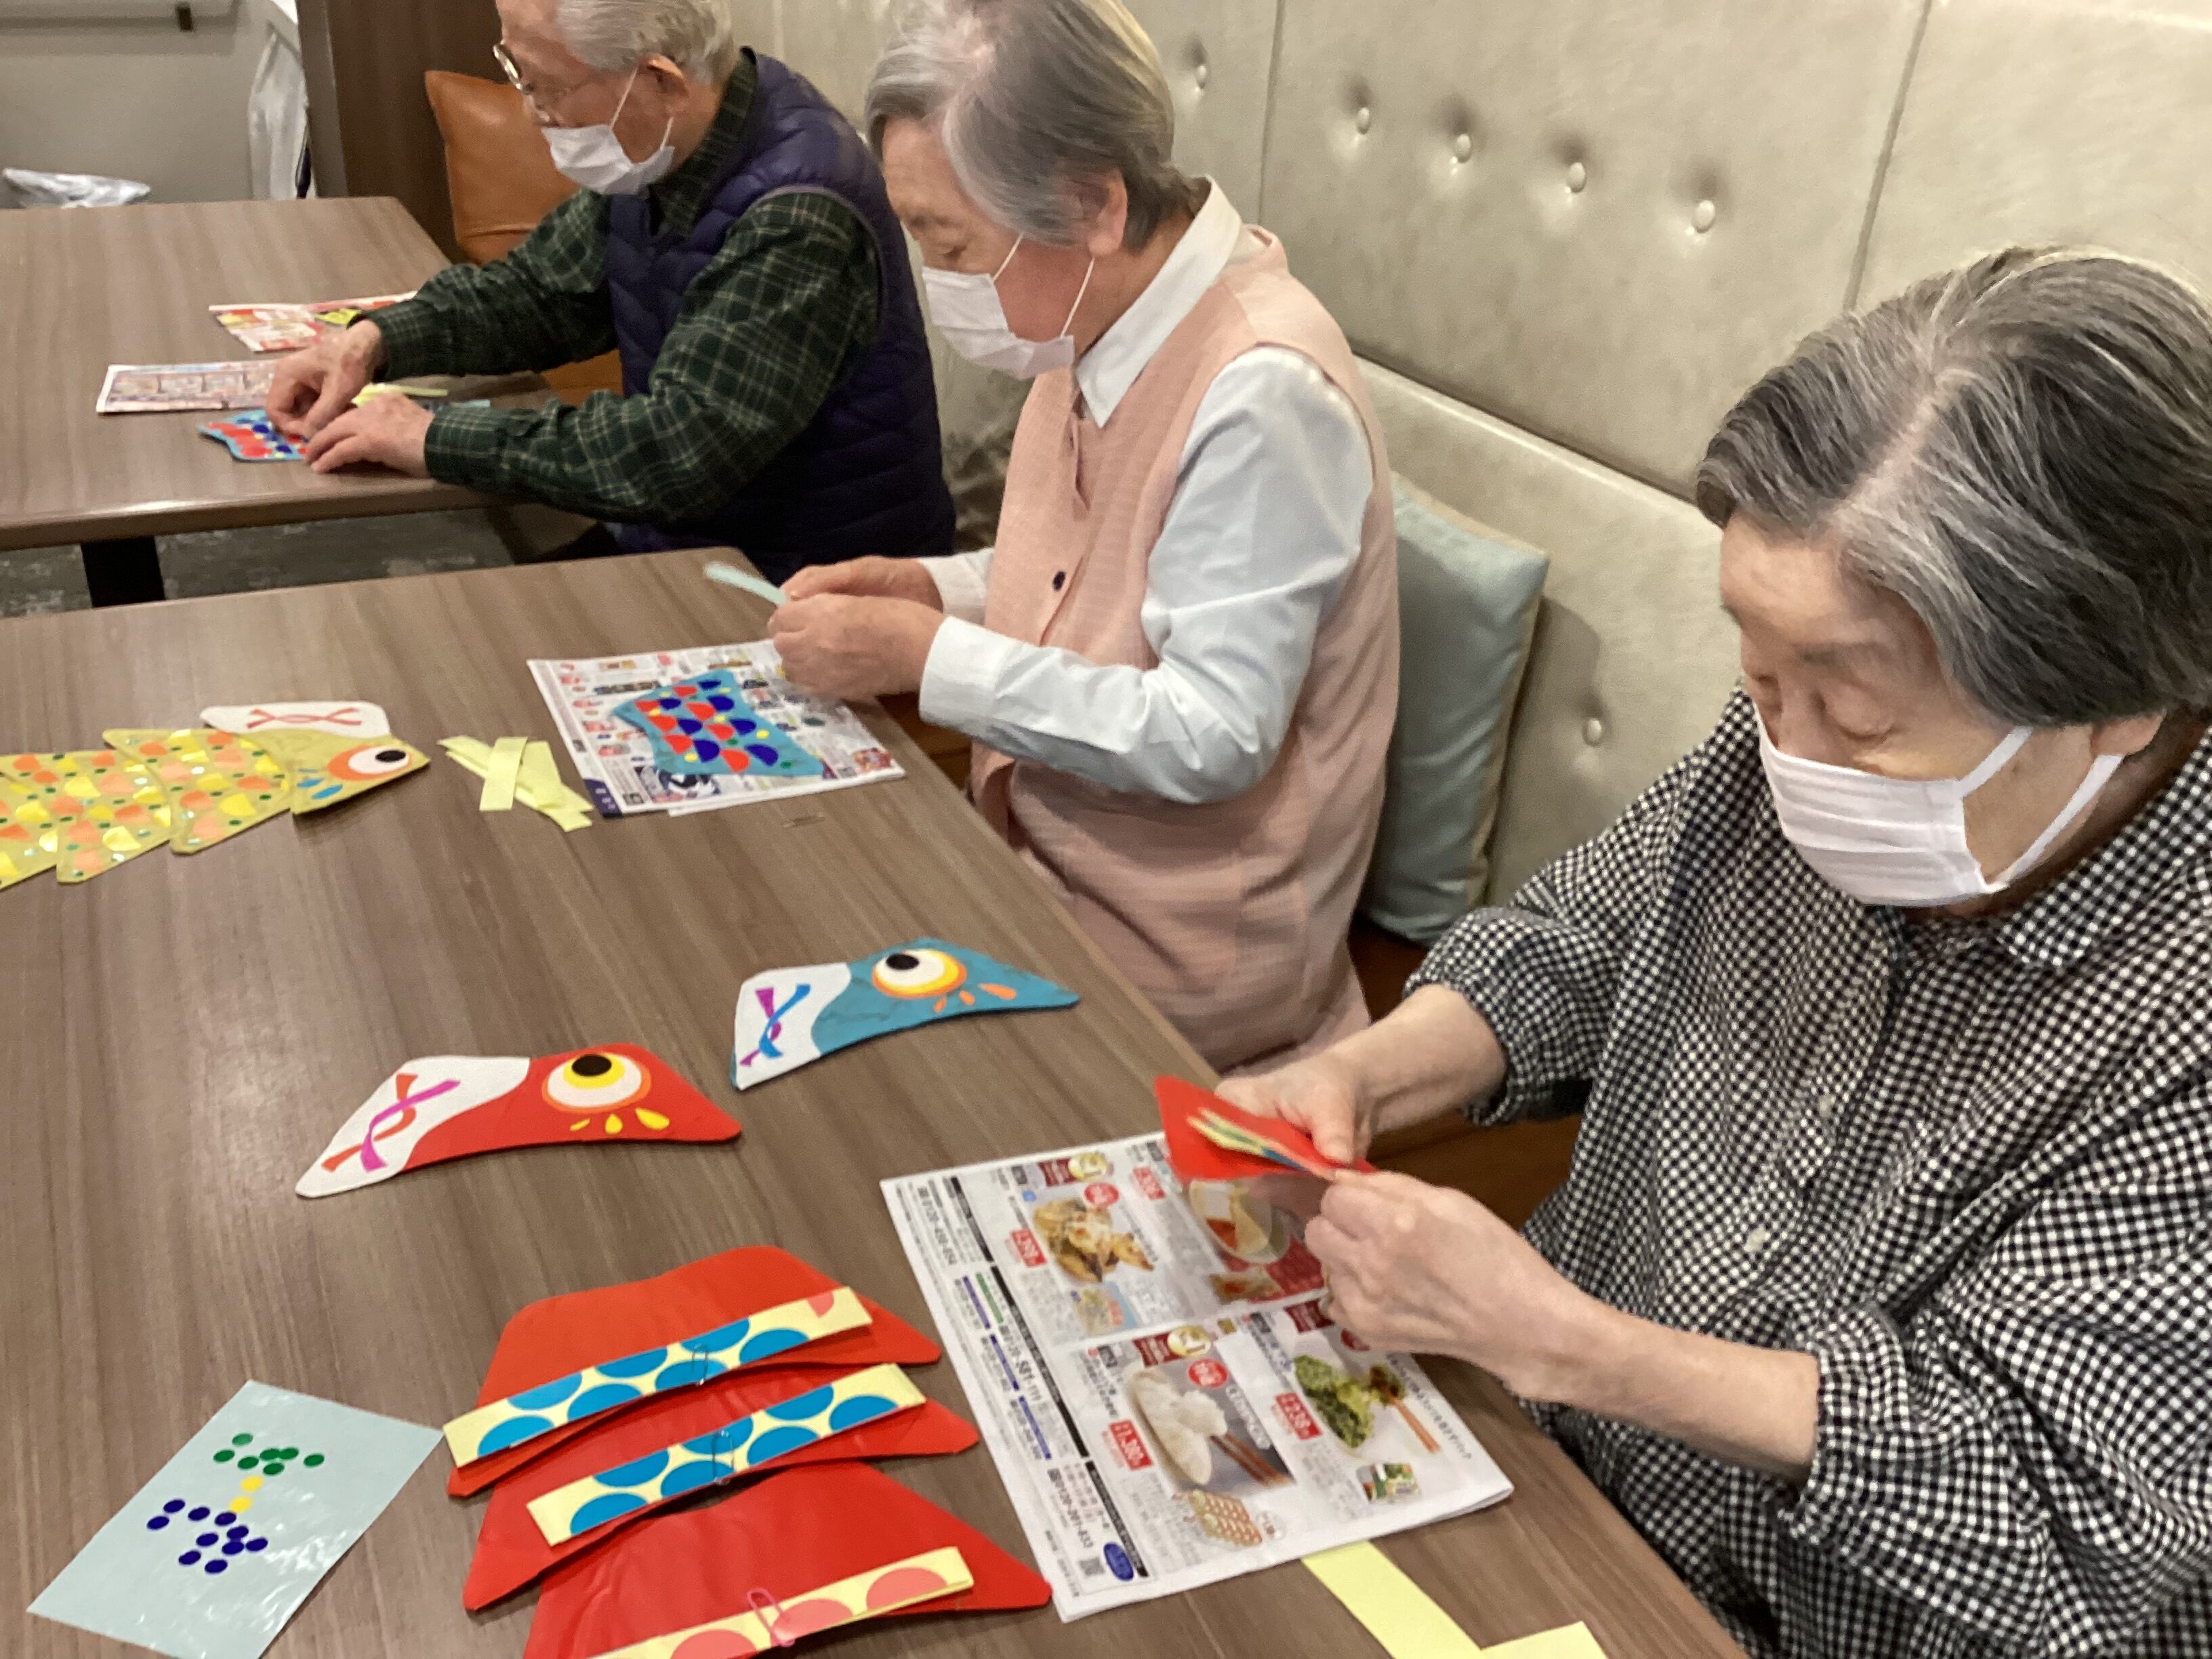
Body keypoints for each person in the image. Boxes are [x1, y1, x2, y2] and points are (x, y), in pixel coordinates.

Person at [1224, 249, 2212, 1656]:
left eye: (1857, 714)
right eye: (1758, 676)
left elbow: (2057, 1515)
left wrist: (1571, 1343)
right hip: (1552, 1470)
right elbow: (1593, 934)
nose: (1788, 752)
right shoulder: (1803, 728)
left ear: (2117, 702)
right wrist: (1371, 1074)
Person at [767, 0, 1399, 1076]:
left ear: (1094, 203)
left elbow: (1213, 729)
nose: (937, 281)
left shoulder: (1261, 394)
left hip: (1187, 958)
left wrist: (928, 662)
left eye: (946, 241)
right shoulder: (1092, 307)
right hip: (1035, 861)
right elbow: (1098, 572)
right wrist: (935, 591)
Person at [266, 0, 954, 581]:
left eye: (546, 85)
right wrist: (374, 341)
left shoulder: (799, 213)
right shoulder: (672, 143)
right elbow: (541, 292)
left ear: (661, 82)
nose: (533, 112)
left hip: (802, 586)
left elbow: (676, 452)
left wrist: (435, 436)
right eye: (518, 74)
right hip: (689, 545)